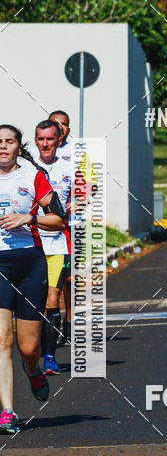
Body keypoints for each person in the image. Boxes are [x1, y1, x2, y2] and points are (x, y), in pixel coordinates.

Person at [0, 124, 67, 433]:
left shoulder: (31, 175)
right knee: (2, 339)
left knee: (28, 348)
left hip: (30, 263)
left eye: (9, 141)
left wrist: (30, 217)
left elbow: (58, 219)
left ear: (18, 146)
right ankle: (9, 412)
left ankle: (33, 370)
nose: (3, 146)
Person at [33, 120, 72, 374]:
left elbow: (86, 192)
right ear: (36, 141)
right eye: (41, 139)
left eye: (50, 139)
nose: (46, 144)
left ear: (59, 140)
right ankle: (32, 351)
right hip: (31, 244)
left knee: (52, 299)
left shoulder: (70, 168)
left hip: (57, 245)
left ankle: (49, 356)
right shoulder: (28, 169)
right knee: (32, 303)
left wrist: (80, 203)